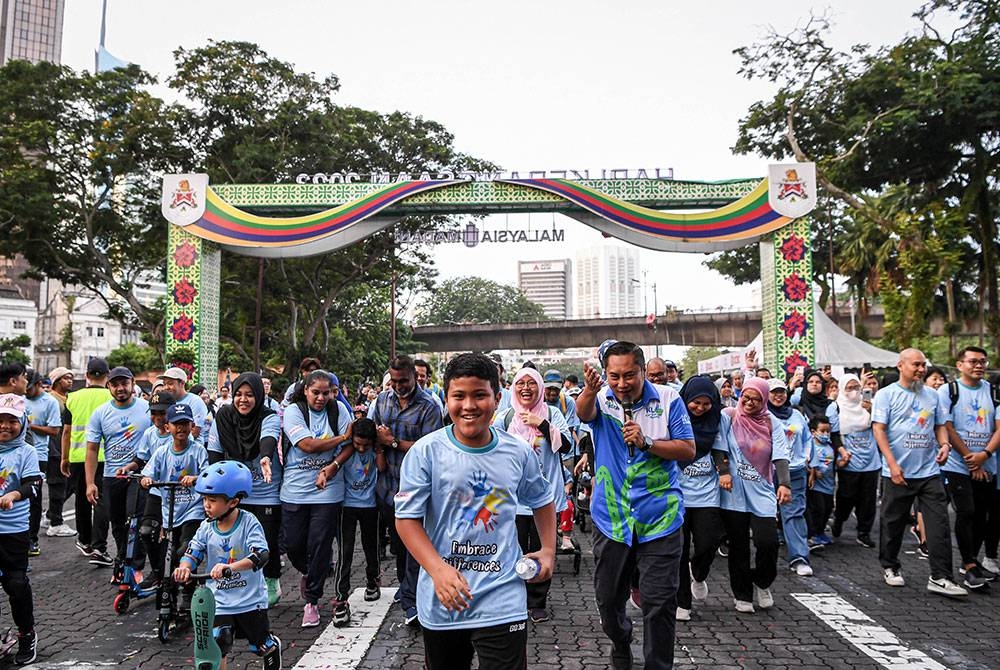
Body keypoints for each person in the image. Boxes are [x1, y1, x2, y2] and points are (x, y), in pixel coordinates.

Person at [395, 352, 555, 670]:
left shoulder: (518, 452)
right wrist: (438, 570)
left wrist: (548, 550)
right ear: (447, 399)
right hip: (443, 601)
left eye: (480, 395)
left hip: (503, 596)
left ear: (497, 398)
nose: (469, 406)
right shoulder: (426, 452)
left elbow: (542, 500)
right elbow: (406, 520)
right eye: (459, 396)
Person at [576, 341, 694, 670]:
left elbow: (688, 449)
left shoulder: (670, 399)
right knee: (608, 600)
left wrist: (648, 442)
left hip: (661, 518)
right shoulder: (600, 398)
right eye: (614, 376)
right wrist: (589, 389)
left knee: (659, 604)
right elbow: (583, 414)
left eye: (630, 375)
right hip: (612, 518)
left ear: (643, 371)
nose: (622, 383)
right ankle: (620, 640)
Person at [873, 348, 966, 597]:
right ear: (900, 365)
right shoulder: (886, 395)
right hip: (898, 471)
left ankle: (940, 576)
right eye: (916, 365)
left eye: (923, 365)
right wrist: (892, 464)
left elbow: (940, 426)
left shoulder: (932, 396)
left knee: (939, 523)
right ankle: (890, 566)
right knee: (892, 522)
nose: (921, 369)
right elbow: (879, 430)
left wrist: (945, 445)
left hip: (929, 471)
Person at [174, 461, 281, 670]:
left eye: (212, 500)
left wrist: (231, 568)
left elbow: (261, 555)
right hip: (219, 601)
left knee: (260, 645)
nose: (206, 504)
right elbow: (193, 551)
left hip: (250, 601)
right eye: (204, 499)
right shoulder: (206, 527)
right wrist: (185, 567)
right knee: (218, 645)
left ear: (232, 502)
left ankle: (271, 647)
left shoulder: (249, 522)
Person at [369, 355, 444, 627]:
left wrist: (393, 442)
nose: (398, 386)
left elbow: (430, 450)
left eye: (404, 381)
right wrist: (380, 445)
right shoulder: (382, 400)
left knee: (416, 545)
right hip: (387, 487)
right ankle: (406, 588)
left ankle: (413, 601)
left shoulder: (429, 406)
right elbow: (376, 436)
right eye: (394, 381)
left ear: (415, 376)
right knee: (400, 545)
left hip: (415, 489)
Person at [494, 367, 572, 623]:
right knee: (513, 548)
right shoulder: (505, 418)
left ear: (539, 387)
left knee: (541, 549)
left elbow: (568, 445)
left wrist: (543, 424)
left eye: (531, 384)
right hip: (512, 498)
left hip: (544, 498)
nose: (526, 388)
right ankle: (514, 598)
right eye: (520, 383)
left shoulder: (553, 413)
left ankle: (537, 601)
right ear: (513, 387)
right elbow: (490, 446)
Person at [280, 369, 353, 628]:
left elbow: (350, 446)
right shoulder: (294, 411)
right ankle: (310, 572)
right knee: (293, 544)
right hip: (295, 489)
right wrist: (343, 437)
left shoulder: (339, 411)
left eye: (327, 393)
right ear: (306, 391)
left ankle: (312, 600)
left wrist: (333, 466)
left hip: (328, 491)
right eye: (316, 393)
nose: (321, 398)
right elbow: (307, 445)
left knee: (320, 543)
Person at [714, 377, 791, 614]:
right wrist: (724, 471)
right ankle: (742, 594)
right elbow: (718, 445)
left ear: (764, 400)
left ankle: (762, 582)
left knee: (767, 542)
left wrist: (785, 484)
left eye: (756, 399)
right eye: (746, 397)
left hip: (762, 491)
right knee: (738, 547)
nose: (749, 403)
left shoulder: (772, 422)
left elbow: (780, 454)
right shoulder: (729, 415)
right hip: (734, 492)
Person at [207, 372, 284, 606]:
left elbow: (269, 438)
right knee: (236, 541)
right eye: (239, 394)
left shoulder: (268, 416)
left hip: (266, 488)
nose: (243, 399)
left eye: (250, 395)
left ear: (259, 396)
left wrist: (265, 457)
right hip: (237, 491)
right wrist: (215, 489)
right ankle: (241, 584)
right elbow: (215, 453)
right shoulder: (223, 417)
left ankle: (271, 580)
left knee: (266, 540)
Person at [936, 346, 1000, 590]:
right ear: (960, 364)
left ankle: (970, 559)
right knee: (966, 511)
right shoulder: (948, 391)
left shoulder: (993, 392)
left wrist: (984, 455)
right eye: (973, 361)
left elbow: (998, 427)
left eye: (983, 361)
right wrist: (968, 458)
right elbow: (946, 426)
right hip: (956, 463)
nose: (979, 366)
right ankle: (970, 566)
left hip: (985, 463)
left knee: (983, 515)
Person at [139, 403, 208, 609]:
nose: (181, 429)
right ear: (167, 427)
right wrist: (146, 480)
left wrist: (196, 478)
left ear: (191, 425)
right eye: (176, 424)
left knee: (186, 548)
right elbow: (148, 472)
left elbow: (207, 474)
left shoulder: (197, 451)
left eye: (185, 424)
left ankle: (188, 592)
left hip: (192, 510)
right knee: (168, 554)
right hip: (169, 512)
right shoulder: (161, 452)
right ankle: (168, 587)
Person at [84, 366, 152, 570]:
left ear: (132, 383)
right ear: (109, 387)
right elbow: (92, 450)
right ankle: (123, 558)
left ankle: (135, 566)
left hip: (139, 475)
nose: (120, 388)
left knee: (135, 520)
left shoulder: (147, 408)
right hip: (112, 476)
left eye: (124, 383)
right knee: (118, 523)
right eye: (115, 384)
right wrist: (90, 483)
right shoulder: (100, 413)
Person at [675, 376, 725, 622]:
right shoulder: (675, 417)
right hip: (678, 495)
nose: (700, 408)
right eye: (696, 403)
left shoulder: (719, 419)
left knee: (707, 544)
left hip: (707, 495)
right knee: (679, 551)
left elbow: (721, 449)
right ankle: (682, 602)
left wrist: (724, 471)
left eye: (706, 404)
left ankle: (700, 573)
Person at [329, 417, 385, 627]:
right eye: (357, 444)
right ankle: (341, 599)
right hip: (347, 506)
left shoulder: (374, 450)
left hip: (370, 506)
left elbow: (382, 467)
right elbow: (340, 456)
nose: (361, 449)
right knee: (345, 552)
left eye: (365, 445)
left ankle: (373, 580)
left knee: (372, 547)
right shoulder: (347, 449)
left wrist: (378, 449)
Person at [0, 393, 41, 665]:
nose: (5, 426)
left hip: (14, 531)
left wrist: (13, 496)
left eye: (12, 421)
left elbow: (33, 485)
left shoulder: (26, 451)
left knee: (16, 584)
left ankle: (27, 635)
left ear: (22, 423)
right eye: (0, 421)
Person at [61, 357, 111, 563]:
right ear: (107, 377)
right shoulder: (112, 396)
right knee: (101, 501)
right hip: (106, 456)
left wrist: (64, 457)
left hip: (78, 456)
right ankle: (100, 545)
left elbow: (66, 431)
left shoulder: (72, 398)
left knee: (82, 499)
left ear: (87, 376)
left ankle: (85, 540)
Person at [766, 377, 814, 573]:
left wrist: (807, 458)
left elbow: (807, 438)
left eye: (782, 392)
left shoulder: (796, 415)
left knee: (794, 514)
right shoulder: (762, 415)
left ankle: (799, 558)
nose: (778, 395)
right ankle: (764, 558)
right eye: (774, 392)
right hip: (768, 473)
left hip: (795, 472)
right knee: (765, 516)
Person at [831, 373, 880, 548]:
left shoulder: (868, 406)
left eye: (856, 387)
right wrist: (841, 452)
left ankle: (864, 531)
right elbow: (834, 433)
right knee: (847, 496)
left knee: (868, 500)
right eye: (849, 388)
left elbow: (881, 426)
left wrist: (870, 410)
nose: (853, 391)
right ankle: (839, 519)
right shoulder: (837, 408)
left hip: (870, 460)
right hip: (849, 460)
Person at [24, 370, 61, 554]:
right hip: (16, 453)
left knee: (34, 498)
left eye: (29, 388)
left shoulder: (50, 402)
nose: (25, 391)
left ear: (38, 384)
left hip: (38, 456)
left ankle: (32, 539)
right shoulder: (17, 399)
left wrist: (29, 426)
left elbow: (54, 430)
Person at [806, 415, 846, 545]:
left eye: (827, 431)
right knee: (818, 509)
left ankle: (821, 532)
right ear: (813, 432)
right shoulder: (810, 446)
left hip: (829, 485)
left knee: (828, 509)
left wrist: (843, 462)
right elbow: (805, 462)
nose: (825, 434)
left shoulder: (830, 446)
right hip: (816, 486)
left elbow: (835, 463)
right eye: (822, 431)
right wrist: (813, 471)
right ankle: (812, 534)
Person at [156, 367, 209, 445]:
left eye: (170, 383)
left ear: (182, 383)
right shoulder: (165, 402)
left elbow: (195, 432)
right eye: (164, 384)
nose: (166, 387)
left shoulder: (195, 401)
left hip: (191, 451)